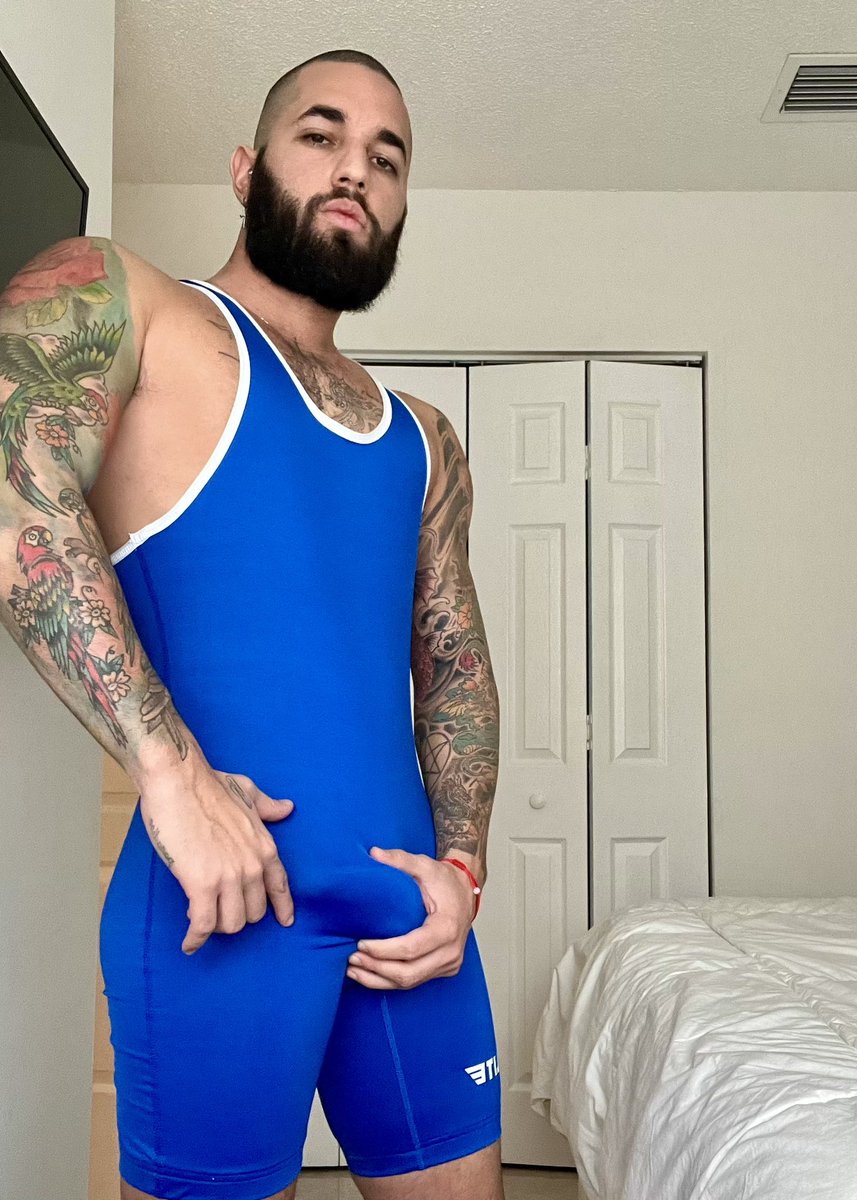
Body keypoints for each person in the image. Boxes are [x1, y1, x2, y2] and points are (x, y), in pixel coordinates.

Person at [0, 48, 504, 1200]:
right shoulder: (125, 301)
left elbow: (454, 669)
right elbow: (13, 493)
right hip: (221, 906)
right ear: (245, 168)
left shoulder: (422, 438)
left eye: (386, 157)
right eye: (319, 136)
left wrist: (462, 871)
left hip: (411, 923)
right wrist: (169, 772)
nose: (354, 169)